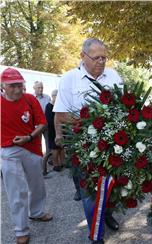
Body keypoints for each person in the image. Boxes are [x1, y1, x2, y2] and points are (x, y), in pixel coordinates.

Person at [53, 38, 123, 244]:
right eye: (96, 58)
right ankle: (96, 233)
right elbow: (62, 114)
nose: (101, 62)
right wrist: (93, 121)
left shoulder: (114, 76)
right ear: (83, 56)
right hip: (82, 143)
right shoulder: (69, 79)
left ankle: (107, 214)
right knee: (87, 190)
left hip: (112, 142)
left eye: (104, 58)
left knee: (112, 184)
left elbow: (125, 106)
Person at [1, 67, 53, 244]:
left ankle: (37, 212)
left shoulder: (30, 99)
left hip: (32, 147)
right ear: (3, 86)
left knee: (37, 185)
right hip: (8, 150)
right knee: (17, 191)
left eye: (19, 85)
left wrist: (29, 137)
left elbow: (42, 123)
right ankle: (20, 230)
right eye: (12, 86)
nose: (17, 90)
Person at [45, 89, 65, 172]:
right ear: (53, 96)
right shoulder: (49, 106)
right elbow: (49, 120)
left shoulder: (60, 105)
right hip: (52, 129)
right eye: (57, 96)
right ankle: (56, 164)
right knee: (54, 148)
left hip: (61, 128)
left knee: (61, 146)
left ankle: (63, 163)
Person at [33, 81, 51, 158]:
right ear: (34, 88)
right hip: (37, 125)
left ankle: (49, 159)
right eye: (39, 88)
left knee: (48, 142)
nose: (41, 89)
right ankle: (39, 160)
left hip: (46, 124)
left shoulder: (47, 97)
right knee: (37, 143)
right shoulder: (31, 98)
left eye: (42, 87)